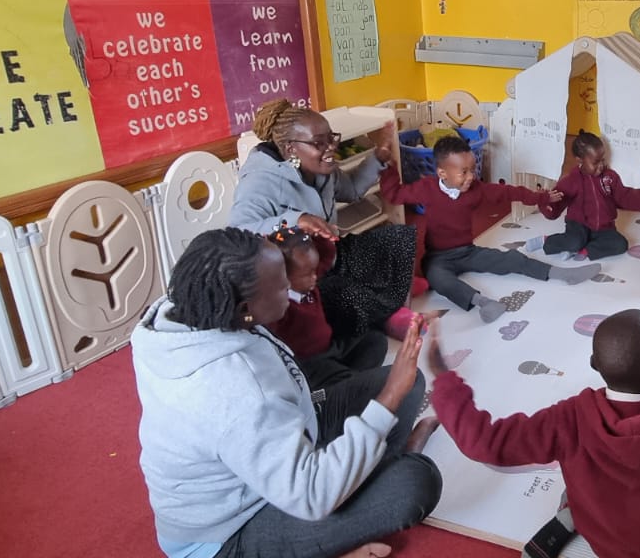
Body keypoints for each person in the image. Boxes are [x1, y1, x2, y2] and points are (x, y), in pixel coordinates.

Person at [131, 227, 441, 558]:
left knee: (408, 383)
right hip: (229, 531)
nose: (290, 289)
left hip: (273, 450)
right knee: (415, 481)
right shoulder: (236, 391)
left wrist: (391, 392)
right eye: (282, 286)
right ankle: (375, 473)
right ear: (246, 307)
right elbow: (310, 495)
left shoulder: (184, 311)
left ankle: (366, 467)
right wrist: (389, 396)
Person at [428, 309, 640, 558]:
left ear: (594, 364)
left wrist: (444, 378)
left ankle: (568, 517)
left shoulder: (568, 418)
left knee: (582, 475)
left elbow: (485, 442)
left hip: (604, 540)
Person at [231, 99, 433, 345]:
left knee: (397, 237)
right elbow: (239, 231)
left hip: (328, 254)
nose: (330, 148)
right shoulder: (260, 180)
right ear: (291, 148)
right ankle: (386, 315)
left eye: (332, 138)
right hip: (298, 275)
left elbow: (351, 190)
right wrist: (296, 220)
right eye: (319, 143)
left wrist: (378, 158)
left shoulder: (322, 168)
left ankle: (392, 294)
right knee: (346, 294)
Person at [379, 134, 601, 323]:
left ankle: (563, 273)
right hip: (438, 258)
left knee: (511, 258)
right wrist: (387, 167)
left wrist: (541, 197)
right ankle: (483, 303)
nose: (471, 177)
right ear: (442, 173)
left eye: (472, 170)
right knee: (439, 280)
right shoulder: (426, 188)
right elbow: (394, 194)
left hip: (468, 252)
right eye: (464, 172)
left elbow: (509, 193)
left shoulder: (476, 189)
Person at [267, 225, 387, 388]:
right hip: (311, 364)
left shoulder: (308, 283)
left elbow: (327, 254)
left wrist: (318, 236)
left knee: (376, 341)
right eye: (307, 275)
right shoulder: (280, 306)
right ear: (283, 276)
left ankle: (348, 382)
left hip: (331, 348)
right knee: (336, 379)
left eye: (314, 271)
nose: (314, 277)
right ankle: (346, 385)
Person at [526, 130, 640, 261]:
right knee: (575, 241)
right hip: (578, 225)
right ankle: (547, 241)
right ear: (579, 160)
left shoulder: (610, 177)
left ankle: (584, 250)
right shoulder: (570, 181)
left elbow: (625, 196)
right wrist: (544, 201)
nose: (601, 166)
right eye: (595, 162)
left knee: (621, 244)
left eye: (602, 160)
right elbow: (554, 210)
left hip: (603, 227)